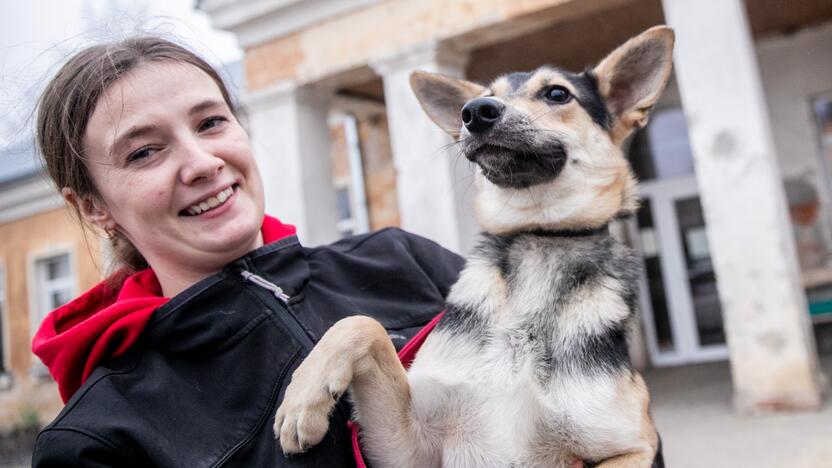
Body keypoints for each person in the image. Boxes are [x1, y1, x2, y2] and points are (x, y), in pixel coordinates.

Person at [30, 36, 464, 467]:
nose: (203, 162)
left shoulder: (404, 261)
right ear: (93, 207)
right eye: (144, 152)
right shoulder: (99, 439)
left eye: (210, 123)